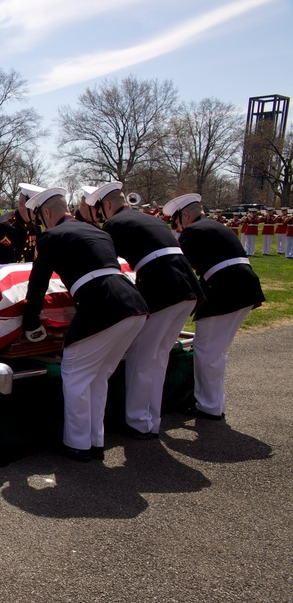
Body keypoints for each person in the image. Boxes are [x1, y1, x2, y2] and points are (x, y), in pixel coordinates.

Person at [21, 188, 148, 461]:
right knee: (98, 375)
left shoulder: (52, 236)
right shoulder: (98, 231)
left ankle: (78, 444)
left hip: (102, 305)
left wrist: (30, 320)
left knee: (75, 370)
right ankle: (94, 440)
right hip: (134, 304)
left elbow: (38, 281)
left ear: (46, 213)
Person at [89, 181, 201, 438]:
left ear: (106, 206)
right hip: (186, 286)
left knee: (141, 355)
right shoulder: (149, 219)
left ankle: (139, 422)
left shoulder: (115, 225)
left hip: (163, 287)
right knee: (159, 357)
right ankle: (151, 419)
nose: (101, 216)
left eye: (100, 211)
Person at [166, 193, 265, 420]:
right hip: (242, 286)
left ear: (186, 216)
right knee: (215, 350)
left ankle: (209, 406)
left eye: (177, 221)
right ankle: (213, 402)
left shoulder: (194, 231)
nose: (178, 228)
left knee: (207, 351)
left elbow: (180, 266)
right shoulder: (214, 226)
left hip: (225, 289)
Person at [0, 183, 43, 268]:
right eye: (34, 209)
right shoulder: (5, 227)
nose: (36, 213)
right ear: (21, 203)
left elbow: (31, 261)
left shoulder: (35, 228)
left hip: (5, 269)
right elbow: (6, 263)